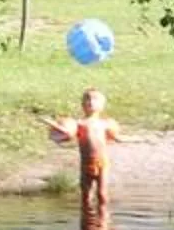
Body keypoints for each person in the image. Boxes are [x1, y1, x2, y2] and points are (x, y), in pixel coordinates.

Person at [46, 89, 126, 221]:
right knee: (86, 196)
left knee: (102, 194)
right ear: (82, 104)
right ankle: (86, 224)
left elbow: (117, 138)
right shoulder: (79, 124)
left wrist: (140, 139)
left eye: (95, 99)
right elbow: (66, 133)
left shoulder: (105, 124)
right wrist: (52, 124)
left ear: (102, 105)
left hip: (102, 163)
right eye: (87, 99)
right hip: (86, 164)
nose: (90, 102)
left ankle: (103, 222)